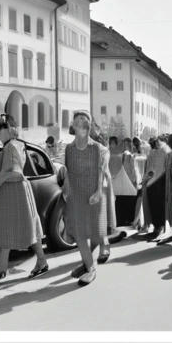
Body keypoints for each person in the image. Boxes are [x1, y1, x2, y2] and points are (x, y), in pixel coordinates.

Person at [0, 114, 49, 284]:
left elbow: (15, 173)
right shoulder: (16, 144)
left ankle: (33, 264)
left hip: (13, 193)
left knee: (10, 230)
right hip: (17, 192)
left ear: (4, 129)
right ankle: (6, 269)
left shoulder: (10, 147)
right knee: (24, 229)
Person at [62, 111, 107, 284]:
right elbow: (68, 173)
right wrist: (65, 193)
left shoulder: (96, 147)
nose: (81, 120)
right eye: (78, 119)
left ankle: (86, 262)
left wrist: (98, 191)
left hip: (93, 195)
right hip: (76, 196)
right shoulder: (69, 149)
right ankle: (90, 268)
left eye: (85, 118)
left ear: (89, 126)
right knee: (80, 234)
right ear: (73, 126)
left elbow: (101, 171)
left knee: (94, 234)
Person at [108, 136, 138, 237]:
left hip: (119, 184)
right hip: (123, 184)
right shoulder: (125, 155)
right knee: (123, 203)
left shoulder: (118, 155)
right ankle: (124, 223)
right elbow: (132, 171)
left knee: (119, 203)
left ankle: (120, 223)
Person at [142, 136, 170, 241]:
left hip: (160, 182)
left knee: (159, 205)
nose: (157, 143)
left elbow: (167, 167)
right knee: (153, 205)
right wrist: (146, 178)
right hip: (151, 182)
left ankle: (160, 228)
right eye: (156, 141)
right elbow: (148, 166)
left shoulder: (165, 151)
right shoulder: (152, 152)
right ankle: (155, 227)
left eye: (159, 141)